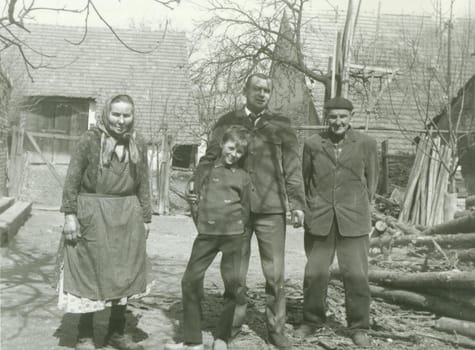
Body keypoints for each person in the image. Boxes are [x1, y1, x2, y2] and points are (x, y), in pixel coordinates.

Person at [190, 73, 305, 350]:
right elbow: (209, 159)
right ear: (246, 90)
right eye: (257, 88)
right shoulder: (226, 122)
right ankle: (231, 325)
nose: (262, 93)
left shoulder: (281, 125)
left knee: (275, 273)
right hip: (234, 209)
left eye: (267, 89)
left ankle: (276, 331)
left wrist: (297, 203)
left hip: (271, 210)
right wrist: (198, 184)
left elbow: (292, 166)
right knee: (235, 272)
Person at [58, 94, 152, 350]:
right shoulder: (90, 140)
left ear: (133, 116)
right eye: (116, 114)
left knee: (124, 274)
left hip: (127, 215)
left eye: (126, 115)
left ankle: (116, 332)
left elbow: (143, 182)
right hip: (92, 213)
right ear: (106, 114)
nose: (121, 121)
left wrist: (145, 217)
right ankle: (85, 334)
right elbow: (72, 179)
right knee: (90, 272)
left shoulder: (138, 142)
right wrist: (70, 214)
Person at [296, 96, 378, 347]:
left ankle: (359, 327)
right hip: (320, 219)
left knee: (356, 275)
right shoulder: (312, 144)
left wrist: (359, 206)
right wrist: (307, 209)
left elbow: (372, 180)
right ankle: (311, 321)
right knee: (315, 273)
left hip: (353, 220)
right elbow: (304, 178)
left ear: (350, 118)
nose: (338, 122)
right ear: (326, 118)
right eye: (333, 117)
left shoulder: (366, 144)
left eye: (343, 117)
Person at [166, 126, 251, 350]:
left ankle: (222, 337)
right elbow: (195, 195)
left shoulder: (243, 177)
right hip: (207, 234)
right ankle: (193, 340)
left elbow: (245, 208)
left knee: (232, 285)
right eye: (231, 148)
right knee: (190, 281)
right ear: (222, 145)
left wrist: (239, 229)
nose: (233, 155)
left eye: (239, 152)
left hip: (233, 236)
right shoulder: (208, 170)